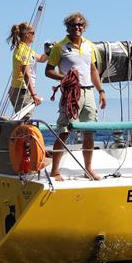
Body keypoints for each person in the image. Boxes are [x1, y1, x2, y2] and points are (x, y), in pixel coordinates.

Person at [45, 12, 107, 181]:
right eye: (73, 25)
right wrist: (64, 78)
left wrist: (101, 91)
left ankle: (88, 169)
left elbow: (93, 70)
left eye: (80, 25)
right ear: (68, 27)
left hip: (89, 92)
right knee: (64, 131)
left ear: (84, 27)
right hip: (71, 92)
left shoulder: (89, 46)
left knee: (89, 132)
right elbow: (48, 71)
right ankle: (55, 171)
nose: (77, 27)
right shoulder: (60, 47)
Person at [7, 21, 48, 111]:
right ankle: (9, 125)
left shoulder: (27, 49)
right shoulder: (22, 50)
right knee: (24, 119)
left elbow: (41, 59)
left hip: (23, 89)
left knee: (24, 119)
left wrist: (48, 52)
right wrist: (34, 95)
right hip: (21, 90)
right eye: (33, 33)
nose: (34, 35)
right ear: (26, 34)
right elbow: (26, 74)